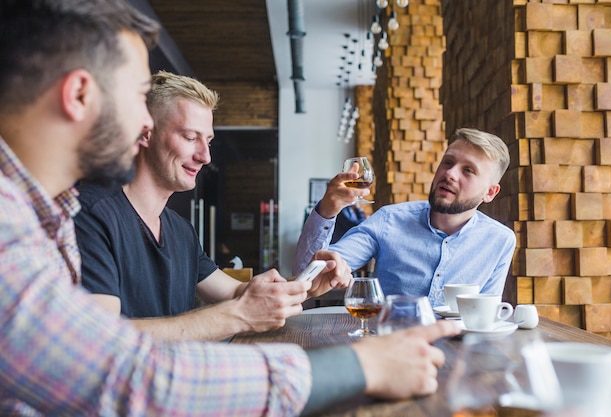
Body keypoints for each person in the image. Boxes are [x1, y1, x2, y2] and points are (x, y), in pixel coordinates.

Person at [0, 1, 459, 415]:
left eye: (209, 139)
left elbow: (240, 300)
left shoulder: (52, 214)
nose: (143, 122)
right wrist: (360, 366)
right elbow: (119, 369)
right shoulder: (54, 218)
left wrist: (304, 284)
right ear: (80, 94)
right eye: (137, 97)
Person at [75, 70, 349, 342]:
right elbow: (102, 339)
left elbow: (237, 293)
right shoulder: (89, 215)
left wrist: (306, 284)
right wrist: (238, 316)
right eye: (190, 137)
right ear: (145, 133)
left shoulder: (180, 230)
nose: (205, 156)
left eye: (208, 141)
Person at [294, 128, 516, 307]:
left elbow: (487, 314)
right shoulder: (389, 220)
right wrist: (327, 211)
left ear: (490, 192)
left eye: (468, 170)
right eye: (448, 163)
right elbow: (306, 276)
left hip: (458, 352)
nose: (450, 173)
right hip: (390, 346)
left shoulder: (500, 240)